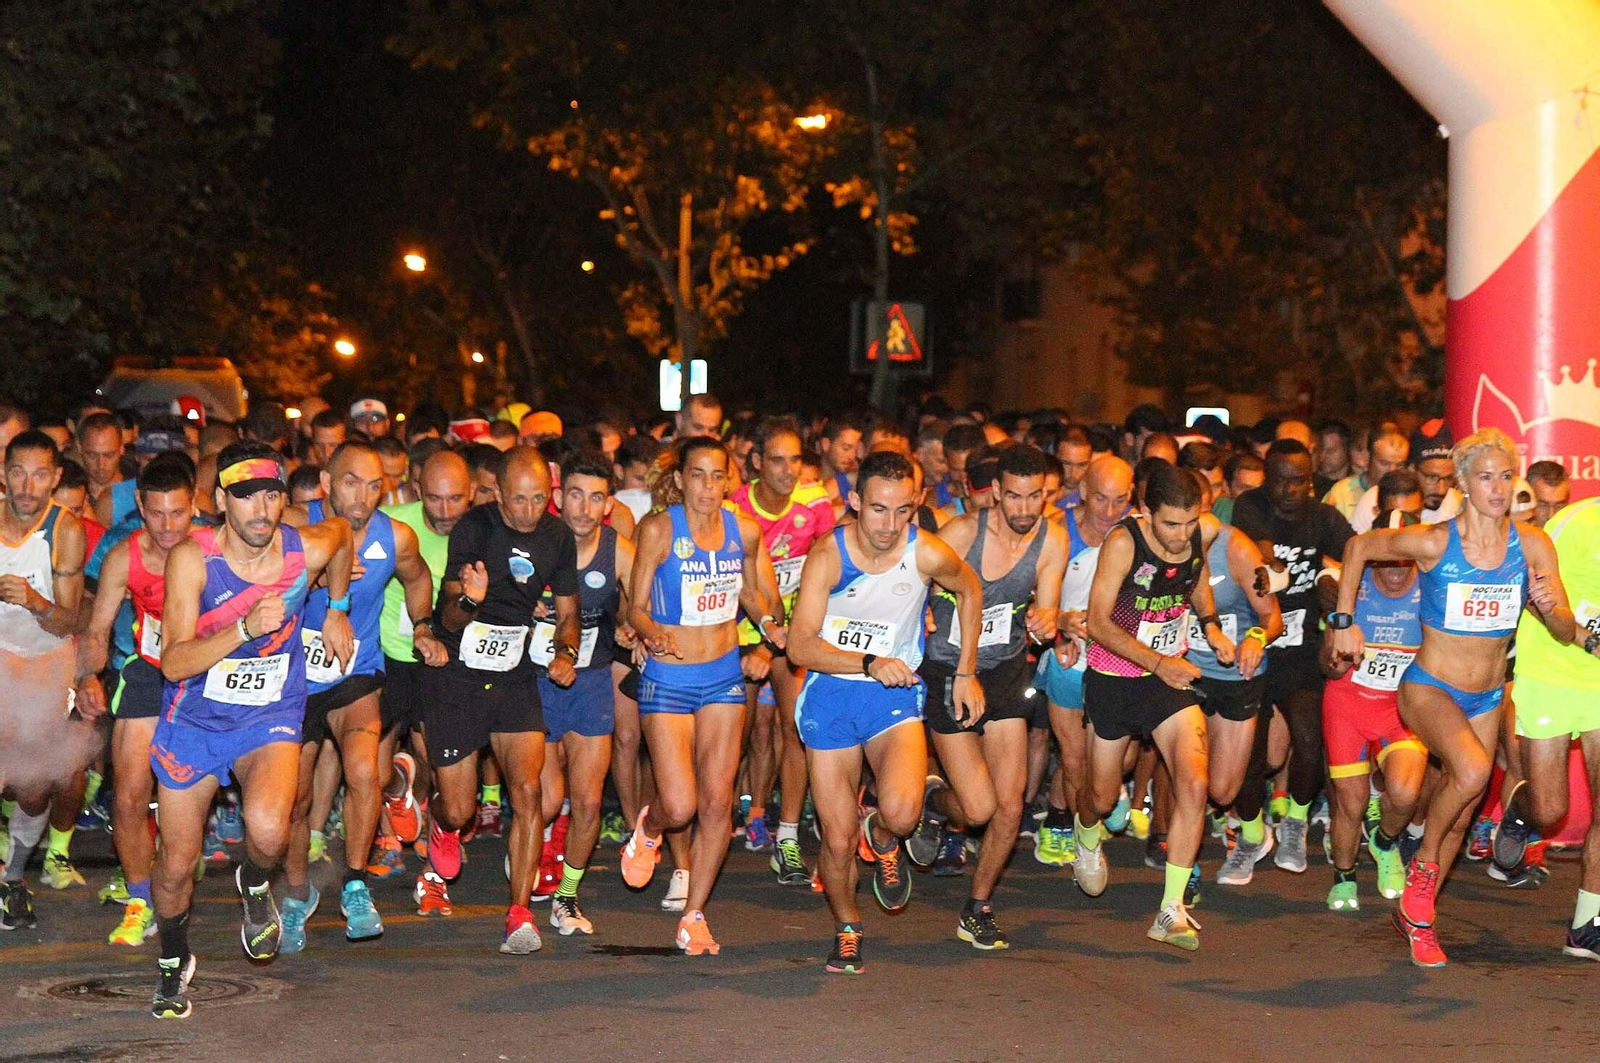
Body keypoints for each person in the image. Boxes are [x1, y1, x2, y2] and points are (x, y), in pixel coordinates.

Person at [1331, 428, 1574, 967]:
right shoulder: (1436, 540)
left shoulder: (1532, 544)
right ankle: (1421, 867)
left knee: (1462, 812)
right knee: (1471, 771)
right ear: (1462, 483)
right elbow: (1357, 547)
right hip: (1427, 686)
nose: (1498, 488)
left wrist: (1551, 605)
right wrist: (1343, 622)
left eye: (1506, 476)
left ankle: (1418, 918)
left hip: (1485, 697)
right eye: (1486, 477)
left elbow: (1559, 627)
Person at [148, 440, 354, 1018]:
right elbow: (173, 662)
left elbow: (340, 534)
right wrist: (242, 628)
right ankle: (173, 958)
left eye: (270, 495)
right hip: (194, 720)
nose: (261, 510)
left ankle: (255, 883)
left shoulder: (302, 548)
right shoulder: (193, 559)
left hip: (269, 714)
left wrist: (336, 605)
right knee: (175, 863)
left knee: (268, 833)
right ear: (220, 502)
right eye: (245, 498)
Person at [786, 450, 985, 973]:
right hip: (831, 694)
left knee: (902, 813)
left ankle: (883, 833)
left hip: (891, 696)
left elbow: (969, 588)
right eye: (877, 509)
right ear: (853, 502)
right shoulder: (829, 555)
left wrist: (966, 670)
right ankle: (848, 927)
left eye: (902, 511)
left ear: (917, 503)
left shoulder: (926, 551)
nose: (889, 524)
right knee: (835, 837)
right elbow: (800, 647)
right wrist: (869, 661)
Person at [620, 436, 783, 955]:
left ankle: (695, 914)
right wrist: (650, 632)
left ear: (729, 480)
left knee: (717, 804)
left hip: (722, 677)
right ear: (681, 478)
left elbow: (755, 594)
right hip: (668, 678)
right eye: (698, 475)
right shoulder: (660, 528)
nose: (708, 487)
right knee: (681, 805)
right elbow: (635, 606)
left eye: (717, 476)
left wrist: (771, 628)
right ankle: (650, 828)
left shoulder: (746, 532)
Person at [278, 441, 442, 951]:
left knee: (364, 771)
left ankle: (354, 883)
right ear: (327, 484)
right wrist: (310, 581)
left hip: (356, 670)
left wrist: (422, 626)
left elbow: (418, 578)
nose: (365, 496)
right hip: (295, 679)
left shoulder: (396, 537)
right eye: (352, 482)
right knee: (296, 797)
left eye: (375, 486)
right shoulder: (292, 530)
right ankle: (297, 893)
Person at [1072, 463, 1236, 951]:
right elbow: (1098, 622)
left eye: (1190, 524)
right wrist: (1157, 662)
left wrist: (1210, 626)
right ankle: (1085, 834)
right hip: (1115, 677)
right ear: (1146, 512)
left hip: (1169, 679)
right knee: (1102, 798)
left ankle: (1171, 909)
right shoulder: (1123, 544)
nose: (1182, 535)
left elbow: (1197, 580)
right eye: (1171, 524)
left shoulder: (1197, 533)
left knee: (1195, 778)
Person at [425, 446, 580, 956]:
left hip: (514, 674)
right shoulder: (476, 528)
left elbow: (568, 609)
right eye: (518, 499)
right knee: (460, 811)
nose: (528, 510)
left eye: (539, 499)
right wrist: (471, 598)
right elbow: (447, 619)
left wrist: (567, 650)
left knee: (529, 790)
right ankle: (439, 819)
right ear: (498, 493)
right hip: (459, 675)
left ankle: (519, 914)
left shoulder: (558, 535)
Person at [912, 445, 1067, 949]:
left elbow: (1047, 607)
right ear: (995, 492)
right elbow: (908, 583)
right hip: (948, 668)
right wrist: (926, 612)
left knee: (1009, 806)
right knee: (977, 808)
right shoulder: (962, 533)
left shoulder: (1052, 540)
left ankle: (977, 907)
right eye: (1015, 497)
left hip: (1002, 670)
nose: (1025, 509)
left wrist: (1049, 620)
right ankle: (931, 801)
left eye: (1035, 497)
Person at [75, 456, 197, 947]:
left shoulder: (217, 547)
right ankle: (140, 896)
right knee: (127, 794)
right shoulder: (123, 556)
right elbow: (99, 627)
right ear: (140, 508)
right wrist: (88, 676)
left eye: (179, 513)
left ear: (195, 508)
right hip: (149, 672)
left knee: (190, 797)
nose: (168, 527)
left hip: (208, 676)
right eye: (158, 514)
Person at [1230, 439, 1355, 874]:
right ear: (1268, 478)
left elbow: (1357, 554)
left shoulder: (1324, 518)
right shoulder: (1250, 504)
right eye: (1281, 480)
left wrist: (1331, 575)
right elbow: (1258, 543)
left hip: (1300, 652)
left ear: (1311, 480)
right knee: (1252, 754)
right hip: (1254, 647)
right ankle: (1249, 834)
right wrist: (1269, 561)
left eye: (1299, 480)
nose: (1290, 489)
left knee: (1308, 740)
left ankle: (1296, 825)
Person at [1490, 485, 1600, 960]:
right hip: (1553, 669)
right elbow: (1532, 594)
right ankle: (1520, 810)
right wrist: (1585, 637)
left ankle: (1586, 926)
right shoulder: (1575, 524)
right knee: (1551, 811)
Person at [725, 418, 835, 882]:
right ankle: (726, 814)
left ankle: (786, 838)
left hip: (791, 632)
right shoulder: (733, 510)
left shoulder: (816, 504)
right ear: (755, 463)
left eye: (796, 459)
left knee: (796, 729)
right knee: (738, 735)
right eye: (777, 460)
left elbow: (827, 570)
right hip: (737, 630)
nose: (788, 470)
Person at [531, 450, 635, 935]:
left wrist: (640, 629)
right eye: (575, 495)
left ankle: (566, 897)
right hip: (534, 680)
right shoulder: (533, 543)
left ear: (608, 504)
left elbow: (641, 604)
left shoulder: (620, 549)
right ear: (558, 496)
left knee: (589, 802)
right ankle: (531, 856)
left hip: (590, 680)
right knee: (547, 798)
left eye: (595, 498)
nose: (584, 508)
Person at [1318, 472, 1427, 912]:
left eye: (1407, 561)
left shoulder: (1433, 588)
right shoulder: (1349, 586)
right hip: (1347, 704)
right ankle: (1344, 875)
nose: (1398, 572)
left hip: (1400, 707)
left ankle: (1384, 843)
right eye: (1388, 560)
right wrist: (1339, 645)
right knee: (1352, 802)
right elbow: (1326, 665)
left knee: (1403, 792)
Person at [0, 431, 90, 932]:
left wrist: (35, 601)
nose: (27, 485)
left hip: (44, 660)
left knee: (33, 791)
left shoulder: (66, 530)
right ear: (3, 473)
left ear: (55, 478)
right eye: (18, 472)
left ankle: (14, 878)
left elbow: (69, 621)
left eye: (39, 474)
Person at [374, 451, 466, 905]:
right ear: (415, 489)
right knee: (370, 771)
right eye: (435, 499)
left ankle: (433, 875)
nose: (446, 512)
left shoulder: (479, 533)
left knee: (440, 767)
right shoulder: (391, 525)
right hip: (389, 657)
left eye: (456, 499)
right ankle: (397, 790)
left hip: (445, 664)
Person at [1188, 469, 1285, 889]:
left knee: (1223, 790)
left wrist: (1256, 637)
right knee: (1186, 773)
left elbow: (1272, 616)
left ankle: (1254, 831)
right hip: (1183, 672)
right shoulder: (1162, 547)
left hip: (1236, 676)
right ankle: (1182, 864)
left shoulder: (1236, 548)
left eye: (1201, 512)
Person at [1034, 457, 1134, 866]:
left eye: (1120, 501)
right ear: (1081, 491)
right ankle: (1085, 841)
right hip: (1067, 656)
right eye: (1100, 499)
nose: (1110, 512)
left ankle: (1102, 795)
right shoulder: (1055, 531)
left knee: (1119, 760)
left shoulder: (1140, 530)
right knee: (1074, 759)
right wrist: (1058, 623)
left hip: (1123, 661)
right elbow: (1028, 595)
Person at [1351, 421, 1460, 532]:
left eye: (1448, 479)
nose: (1441, 490)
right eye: (1431, 477)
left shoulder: (1457, 504)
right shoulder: (1374, 500)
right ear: (1412, 469)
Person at [1324, 429, 1407, 521]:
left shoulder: (1411, 495)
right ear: (1368, 460)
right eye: (1384, 463)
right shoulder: (1341, 492)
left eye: (1400, 465)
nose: (1392, 470)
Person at [819, 413, 865, 514]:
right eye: (846, 448)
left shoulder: (854, 486)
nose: (852, 456)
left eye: (855, 450)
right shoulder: (807, 482)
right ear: (826, 444)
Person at [1212, 452, 1264, 525]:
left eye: (1260, 488)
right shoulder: (1227, 508)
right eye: (1245, 488)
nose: (1255, 495)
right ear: (1226, 486)